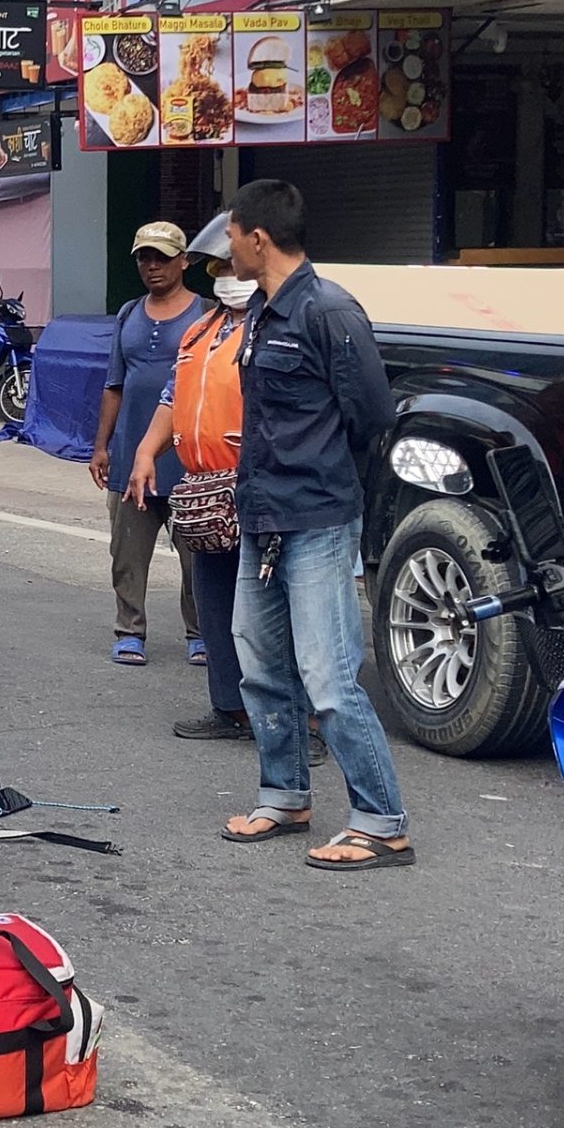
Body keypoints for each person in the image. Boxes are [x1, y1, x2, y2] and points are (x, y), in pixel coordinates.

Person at [213, 179, 412, 870]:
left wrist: (317, 469)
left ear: (257, 238)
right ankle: (285, 794)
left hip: (318, 518)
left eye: (231, 236)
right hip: (262, 514)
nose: (226, 250)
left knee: (327, 678)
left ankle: (382, 820)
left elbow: (373, 417)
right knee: (261, 666)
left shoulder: (329, 311)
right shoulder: (262, 311)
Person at [128, 232, 306, 755]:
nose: (226, 276)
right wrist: (144, 454)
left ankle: (302, 723)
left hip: (262, 487)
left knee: (274, 611)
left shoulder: (275, 328)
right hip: (205, 488)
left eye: (233, 266)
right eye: (219, 268)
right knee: (216, 605)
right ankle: (229, 708)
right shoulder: (201, 331)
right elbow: (172, 394)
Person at [92, 220, 205, 668]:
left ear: (185, 261)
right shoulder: (128, 314)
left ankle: (200, 633)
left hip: (189, 459)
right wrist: (101, 446)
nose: (152, 266)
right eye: (144, 257)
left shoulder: (207, 315)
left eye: (161, 256)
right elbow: (113, 385)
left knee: (198, 553)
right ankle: (129, 631)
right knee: (127, 553)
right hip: (129, 455)